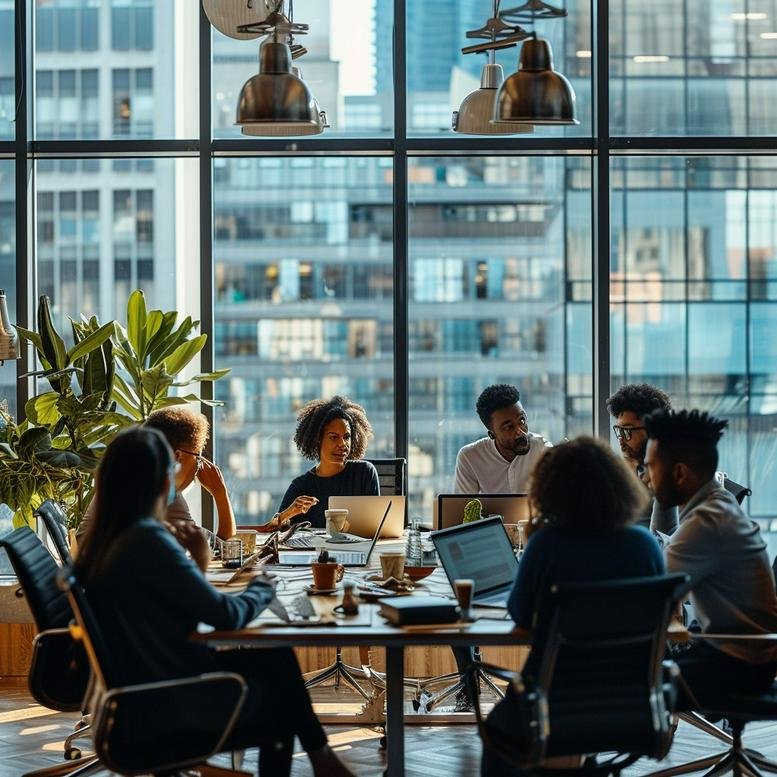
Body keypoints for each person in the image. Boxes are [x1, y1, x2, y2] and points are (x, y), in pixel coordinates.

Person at [75, 426, 354, 777]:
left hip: (144, 692)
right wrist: (263, 588)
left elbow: (180, 607)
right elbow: (226, 615)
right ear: (160, 483)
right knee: (281, 702)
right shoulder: (148, 542)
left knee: (276, 656)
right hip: (170, 704)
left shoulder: (110, 539)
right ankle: (323, 758)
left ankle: (323, 758)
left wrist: (199, 561)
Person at [481, 437, 665, 776]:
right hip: (630, 706)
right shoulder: (645, 545)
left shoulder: (548, 544)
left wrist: (530, 541)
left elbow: (520, 615)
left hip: (551, 705)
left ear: (551, 490)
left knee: (497, 727)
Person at [643, 409, 777, 707]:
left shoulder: (707, 521)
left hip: (738, 664)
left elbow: (651, 595)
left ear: (679, 473)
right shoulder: (719, 504)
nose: (646, 478)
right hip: (748, 654)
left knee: (618, 679)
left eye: (650, 467)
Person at [76, 406, 237, 552]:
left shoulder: (128, 478)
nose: (199, 467)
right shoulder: (158, 490)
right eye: (198, 457)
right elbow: (223, 549)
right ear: (177, 456)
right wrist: (220, 492)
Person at [267, 396, 379, 530]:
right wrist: (288, 513)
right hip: (314, 551)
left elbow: (375, 525)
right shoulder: (301, 486)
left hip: (360, 549)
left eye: (346, 437)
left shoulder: (364, 473)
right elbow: (271, 530)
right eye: (333, 437)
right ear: (317, 440)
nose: (342, 444)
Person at [605, 383, 678, 534]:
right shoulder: (633, 467)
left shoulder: (667, 474)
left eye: (628, 430)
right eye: (619, 430)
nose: (621, 439)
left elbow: (662, 538)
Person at [454, 384, 551, 495]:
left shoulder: (542, 450)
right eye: (508, 427)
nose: (520, 432)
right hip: (489, 513)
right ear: (492, 434)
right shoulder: (469, 457)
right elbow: (463, 507)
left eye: (522, 420)